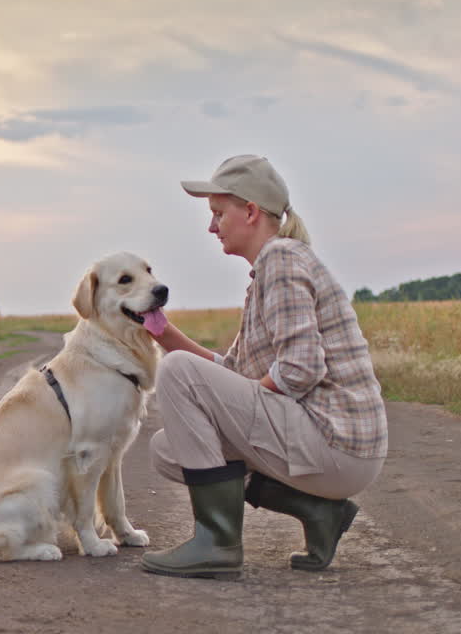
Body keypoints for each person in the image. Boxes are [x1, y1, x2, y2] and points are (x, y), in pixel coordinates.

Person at [139, 154, 388, 579]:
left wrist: (235, 408)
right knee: (170, 449)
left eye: (218, 214)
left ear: (250, 212)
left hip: (337, 441)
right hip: (329, 451)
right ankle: (318, 512)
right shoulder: (267, 273)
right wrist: (160, 331)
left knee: (179, 372)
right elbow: (232, 372)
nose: (211, 227)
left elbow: (300, 369)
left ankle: (216, 543)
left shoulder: (282, 259)